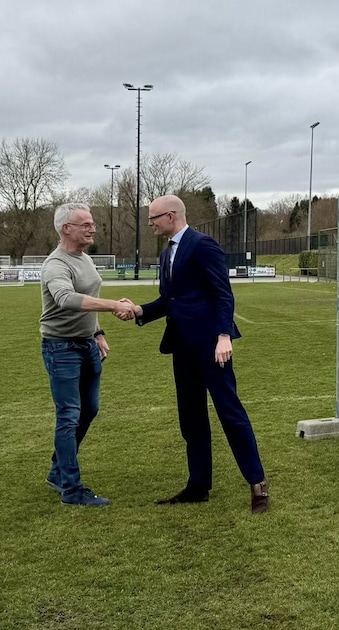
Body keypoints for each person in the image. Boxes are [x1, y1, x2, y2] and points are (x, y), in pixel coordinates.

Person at [124, 195, 270, 514]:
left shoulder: (203, 245)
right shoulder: (167, 254)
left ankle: (258, 486)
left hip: (212, 347)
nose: (150, 223)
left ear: (172, 215)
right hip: (182, 348)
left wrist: (223, 336)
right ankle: (198, 486)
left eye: (154, 217)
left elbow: (223, 294)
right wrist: (139, 311)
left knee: (230, 413)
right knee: (191, 419)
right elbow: (170, 300)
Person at [39, 202, 137, 507]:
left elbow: (88, 299)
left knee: (89, 410)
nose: (93, 228)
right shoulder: (56, 264)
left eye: (92, 223)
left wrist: (97, 332)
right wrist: (114, 305)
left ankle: (58, 470)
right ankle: (71, 488)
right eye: (86, 224)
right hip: (61, 347)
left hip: (85, 344)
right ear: (66, 228)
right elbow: (66, 299)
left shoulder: (86, 260)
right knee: (68, 416)